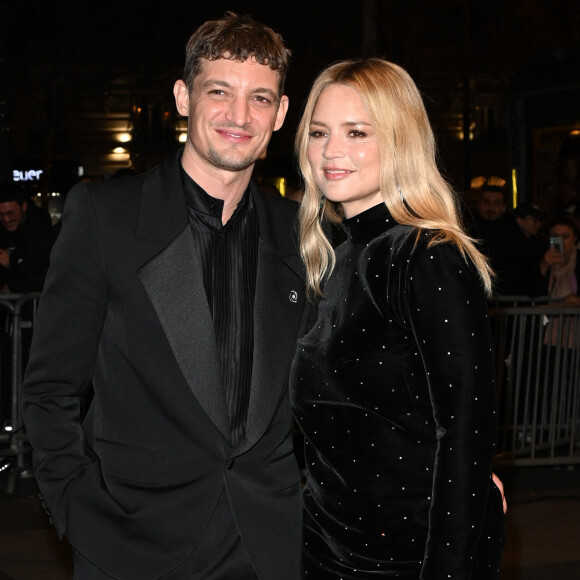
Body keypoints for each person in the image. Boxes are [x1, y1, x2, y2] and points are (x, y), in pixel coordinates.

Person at [22, 13, 305, 580]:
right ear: (183, 97)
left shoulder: (303, 234)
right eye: (219, 92)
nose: (239, 116)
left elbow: (347, 386)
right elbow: (51, 389)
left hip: (268, 546)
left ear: (280, 113)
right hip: (132, 543)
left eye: (259, 98)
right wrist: (76, 510)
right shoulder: (106, 218)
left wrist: (453, 468)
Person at [290, 58, 505, 579]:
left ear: (400, 139)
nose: (330, 151)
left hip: (407, 560)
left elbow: (464, 433)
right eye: (319, 132)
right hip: (327, 547)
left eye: (356, 132)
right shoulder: (335, 255)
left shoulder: (427, 255)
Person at [466, 183, 522, 296]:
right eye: (486, 202)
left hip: (506, 295)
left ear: (503, 207)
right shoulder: (468, 230)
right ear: (479, 204)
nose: (491, 207)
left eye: (496, 203)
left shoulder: (513, 232)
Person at [0, 184, 54, 294]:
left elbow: (49, 273)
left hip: (33, 306)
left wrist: (11, 262)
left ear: (23, 206)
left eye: (10, 213)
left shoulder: (42, 232)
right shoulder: (2, 232)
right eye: (0, 214)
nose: (6, 219)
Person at [541, 216, 580, 303]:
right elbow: (531, 291)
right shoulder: (541, 256)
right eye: (555, 236)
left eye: (566, 237)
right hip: (547, 314)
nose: (561, 241)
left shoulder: (578, 259)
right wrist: (544, 264)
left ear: (574, 239)